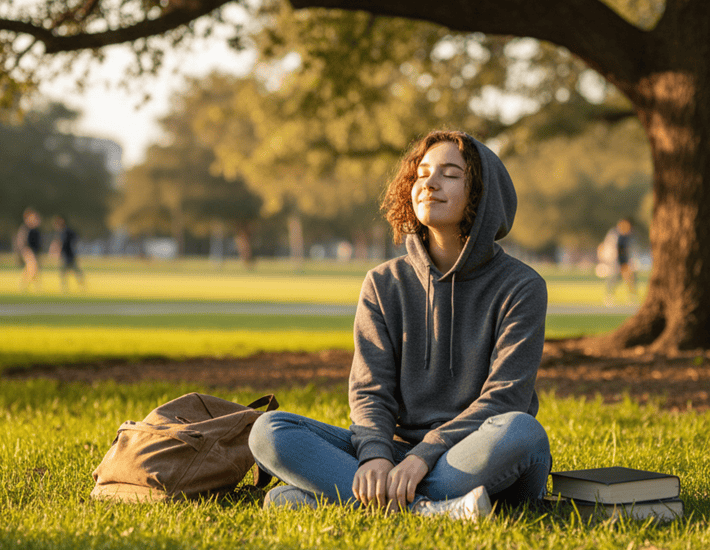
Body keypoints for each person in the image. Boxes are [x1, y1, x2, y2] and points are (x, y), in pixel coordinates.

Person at [248, 131, 552, 519]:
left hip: (477, 452)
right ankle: (435, 508)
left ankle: (349, 497)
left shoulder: (522, 287)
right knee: (269, 431)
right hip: (397, 452)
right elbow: (370, 390)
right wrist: (375, 456)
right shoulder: (383, 283)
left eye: (450, 174)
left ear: (482, 193)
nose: (429, 182)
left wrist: (424, 456)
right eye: (422, 173)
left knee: (522, 431)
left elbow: (505, 398)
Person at [599, 217, 637, 305]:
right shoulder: (614, 234)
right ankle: (609, 296)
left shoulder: (630, 235)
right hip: (615, 259)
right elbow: (608, 247)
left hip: (625, 259)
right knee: (613, 278)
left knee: (630, 278)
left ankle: (632, 297)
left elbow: (631, 248)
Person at [50, 215, 85, 292]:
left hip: (70, 254)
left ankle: (82, 286)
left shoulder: (68, 231)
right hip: (63, 255)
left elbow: (76, 239)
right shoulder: (59, 232)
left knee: (76, 271)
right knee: (63, 273)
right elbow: (56, 243)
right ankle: (64, 288)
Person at [19, 208, 42, 292]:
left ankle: (25, 286)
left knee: (29, 269)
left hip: (34, 251)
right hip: (28, 251)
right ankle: (33, 286)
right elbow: (23, 242)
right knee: (33, 267)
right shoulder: (25, 229)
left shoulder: (35, 229)